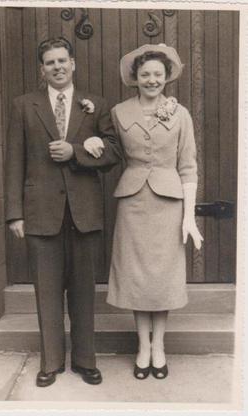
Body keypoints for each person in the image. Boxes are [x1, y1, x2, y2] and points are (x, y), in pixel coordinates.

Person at [5, 37, 120, 387]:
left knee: (84, 290)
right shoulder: (24, 105)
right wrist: (15, 214)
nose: (57, 67)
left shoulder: (95, 105)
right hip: (41, 213)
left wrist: (75, 152)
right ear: (42, 69)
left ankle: (85, 360)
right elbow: (14, 161)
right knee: (47, 290)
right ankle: (51, 362)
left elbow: (113, 152)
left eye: (62, 61)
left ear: (73, 64)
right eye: (49, 63)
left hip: (83, 212)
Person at [105, 44, 203, 379]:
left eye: (157, 75)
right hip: (132, 204)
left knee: (161, 278)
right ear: (135, 77)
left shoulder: (181, 114)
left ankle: (159, 346)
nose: (151, 80)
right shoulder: (119, 112)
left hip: (168, 205)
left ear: (166, 77)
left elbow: (188, 167)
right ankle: (142, 347)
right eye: (145, 74)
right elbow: (107, 148)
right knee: (137, 277)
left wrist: (188, 217)